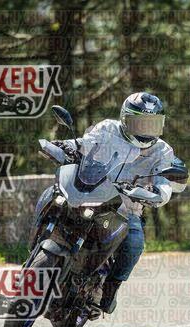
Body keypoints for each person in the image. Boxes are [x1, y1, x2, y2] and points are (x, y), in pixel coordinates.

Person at [53, 92, 182, 313]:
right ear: (125, 118)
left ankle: (111, 287)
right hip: (89, 193)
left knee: (134, 243)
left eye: (151, 124)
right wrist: (65, 145)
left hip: (125, 210)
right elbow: (85, 144)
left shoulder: (162, 151)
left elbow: (165, 181)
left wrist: (158, 192)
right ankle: (37, 246)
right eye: (139, 123)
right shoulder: (107, 129)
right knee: (52, 196)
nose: (145, 130)